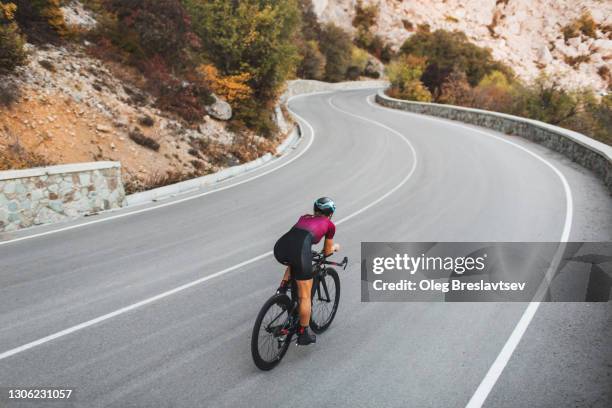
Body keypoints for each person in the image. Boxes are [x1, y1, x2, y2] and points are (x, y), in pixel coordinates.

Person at [273, 197, 340, 345]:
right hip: (299, 251)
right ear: (330, 214)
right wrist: (335, 247)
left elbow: (299, 238)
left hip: (281, 248)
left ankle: (282, 289)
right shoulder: (329, 225)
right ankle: (303, 332)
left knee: (293, 261)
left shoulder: (304, 217)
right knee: (305, 297)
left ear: (315, 210)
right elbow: (327, 251)